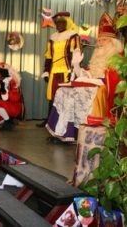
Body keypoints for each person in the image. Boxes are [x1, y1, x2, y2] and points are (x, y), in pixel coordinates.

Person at [46, 12, 123, 143]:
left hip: (102, 90)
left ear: (113, 42)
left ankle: (73, 134)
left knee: (77, 95)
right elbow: (90, 72)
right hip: (92, 85)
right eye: (99, 40)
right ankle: (61, 132)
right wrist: (77, 67)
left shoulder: (117, 57)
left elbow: (114, 80)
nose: (99, 43)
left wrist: (94, 80)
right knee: (63, 92)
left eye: (103, 40)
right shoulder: (98, 55)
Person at [37, 12, 82, 127]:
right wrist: (46, 71)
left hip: (67, 71)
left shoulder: (73, 36)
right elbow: (48, 56)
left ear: (67, 23)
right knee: (52, 96)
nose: (59, 25)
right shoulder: (53, 38)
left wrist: (73, 71)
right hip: (54, 71)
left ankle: (65, 122)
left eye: (62, 22)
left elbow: (77, 54)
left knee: (65, 97)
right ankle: (50, 120)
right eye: (57, 23)